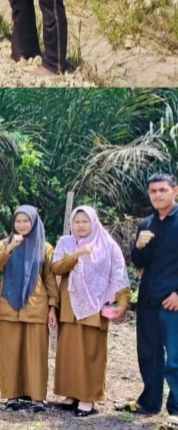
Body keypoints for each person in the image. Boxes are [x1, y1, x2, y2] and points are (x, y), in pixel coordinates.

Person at [52, 206, 130, 417]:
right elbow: (56, 269)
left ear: (94, 222)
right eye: (77, 222)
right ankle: (70, 394)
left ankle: (87, 398)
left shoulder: (107, 245)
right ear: (71, 224)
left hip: (95, 307)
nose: (81, 225)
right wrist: (76, 254)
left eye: (85, 221)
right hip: (69, 306)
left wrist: (122, 302)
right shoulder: (65, 243)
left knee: (91, 353)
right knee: (69, 353)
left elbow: (119, 274)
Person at [0, 205, 58, 412]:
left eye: (26, 221)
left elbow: (50, 278)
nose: (22, 225)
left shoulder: (44, 247)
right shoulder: (3, 244)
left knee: (37, 353)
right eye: (18, 221)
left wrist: (53, 307)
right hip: (9, 306)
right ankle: (12, 395)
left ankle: (37, 397)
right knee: (11, 352)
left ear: (34, 222)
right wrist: (10, 247)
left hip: (37, 306)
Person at [118, 173, 178, 418]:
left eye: (162, 190)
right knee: (148, 353)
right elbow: (139, 263)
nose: (157, 195)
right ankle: (149, 402)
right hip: (147, 299)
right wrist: (139, 247)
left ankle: (176, 409)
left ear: (175, 190)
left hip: (172, 301)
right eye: (153, 191)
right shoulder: (146, 224)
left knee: (175, 357)